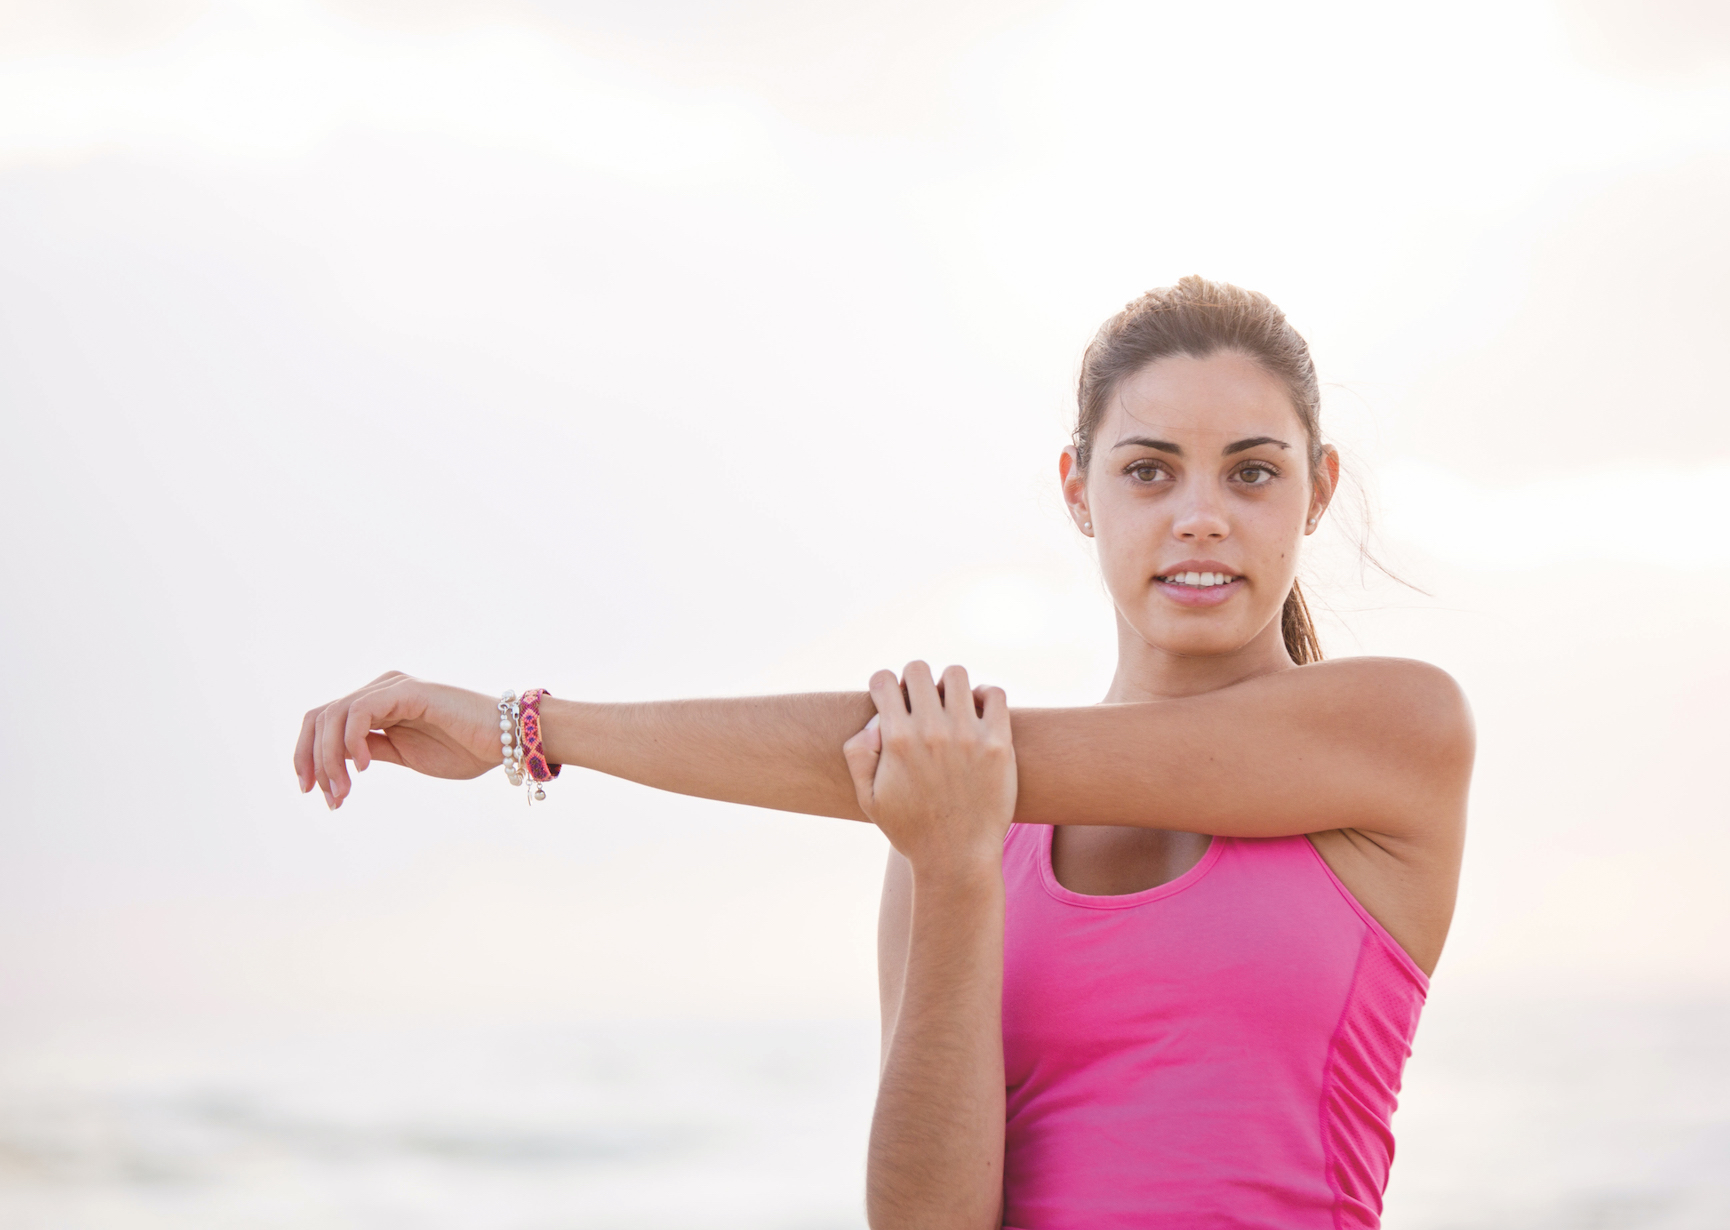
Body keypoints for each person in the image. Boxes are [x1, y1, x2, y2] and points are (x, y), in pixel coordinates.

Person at [293, 275, 1474, 1229]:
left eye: (1252, 471)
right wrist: (956, 867)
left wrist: (527, 725)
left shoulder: (1395, 734)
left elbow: (894, 751)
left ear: (1318, 489)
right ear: (1079, 490)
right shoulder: (952, 810)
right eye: (1149, 469)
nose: (1200, 514)